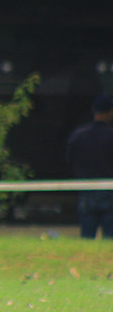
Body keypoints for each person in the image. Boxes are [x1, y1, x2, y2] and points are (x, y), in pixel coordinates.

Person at [66, 93, 113, 239]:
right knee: (110, 237)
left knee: (86, 235)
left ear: (94, 110)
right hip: (109, 190)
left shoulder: (78, 135)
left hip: (86, 189)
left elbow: (69, 160)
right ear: (110, 111)